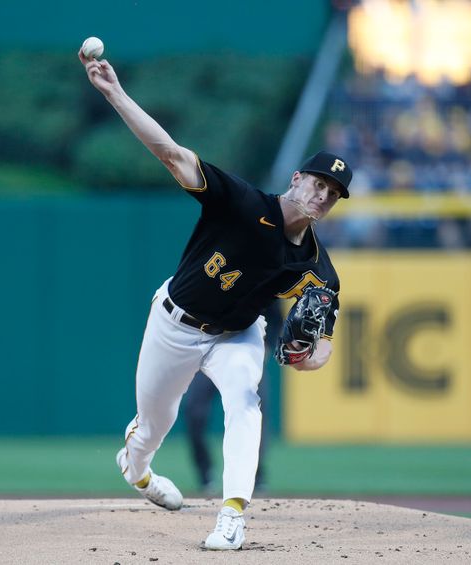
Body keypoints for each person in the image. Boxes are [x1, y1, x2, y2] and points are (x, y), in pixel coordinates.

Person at [79, 47, 352, 551]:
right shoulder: (244, 203)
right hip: (175, 323)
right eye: (318, 183)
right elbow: (173, 154)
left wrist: (307, 357)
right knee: (153, 428)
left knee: (246, 403)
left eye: (333, 193)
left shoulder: (317, 268)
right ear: (297, 179)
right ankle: (136, 471)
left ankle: (232, 516)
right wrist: (115, 93)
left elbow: (324, 346)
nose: (322, 196)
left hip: (239, 333)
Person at [183, 300, 282, 494]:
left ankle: (255, 474)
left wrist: (268, 345)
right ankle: (205, 475)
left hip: (246, 353)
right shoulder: (207, 274)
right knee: (194, 412)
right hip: (207, 353)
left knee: (254, 414)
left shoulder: (262, 276)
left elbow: (276, 316)